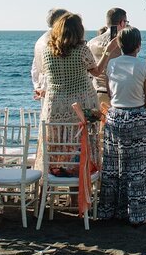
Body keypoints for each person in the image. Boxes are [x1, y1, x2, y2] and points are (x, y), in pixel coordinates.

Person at [38, 12, 110, 171]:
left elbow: (45, 73)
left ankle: (51, 179)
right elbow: (96, 72)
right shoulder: (81, 50)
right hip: (81, 105)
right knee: (82, 143)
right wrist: (108, 52)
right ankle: (81, 181)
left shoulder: (47, 51)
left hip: (54, 106)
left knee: (56, 144)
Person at [99, 27, 146, 225]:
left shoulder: (112, 64)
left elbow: (109, 90)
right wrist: (143, 112)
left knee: (113, 165)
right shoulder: (144, 66)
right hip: (136, 115)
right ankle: (138, 215)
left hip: (114, 115)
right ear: (138, 46)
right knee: (137, 168)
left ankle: (110, 210)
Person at [87, 7, 128, 114]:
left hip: (95, 92)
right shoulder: (122, 43)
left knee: (97, 129)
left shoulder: (91, 42)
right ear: (122, 23)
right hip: (115, 93)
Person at [31, 8, 70, 100]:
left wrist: (38, 86)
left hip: (44, 88)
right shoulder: (57, 39)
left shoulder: (40, 41)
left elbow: (35, 68)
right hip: (59, 90)